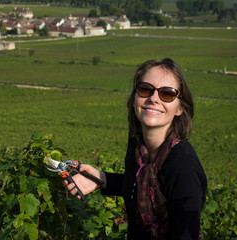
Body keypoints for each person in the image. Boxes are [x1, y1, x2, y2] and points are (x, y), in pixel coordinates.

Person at [64, 58, 207, 240]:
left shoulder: (183, 168)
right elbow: (139, 184)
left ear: (180, 108)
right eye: (145, 89)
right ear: (134, 99)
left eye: (167, 94)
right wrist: (101, 179)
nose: (154, 99)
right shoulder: (138, 146)